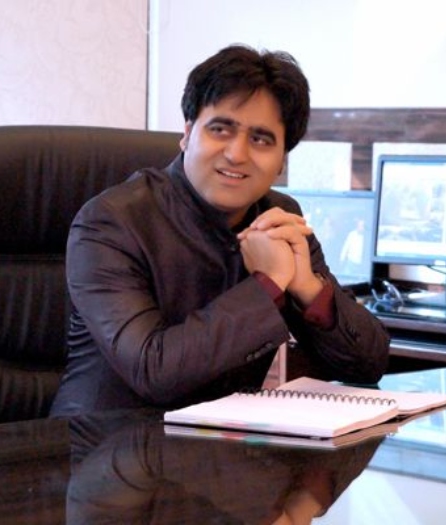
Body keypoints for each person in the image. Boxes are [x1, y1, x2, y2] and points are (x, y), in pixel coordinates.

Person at [49, 44, 390, 417]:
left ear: (281, 161)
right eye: (220, 129)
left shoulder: (279, 217)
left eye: (261, 139)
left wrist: (309, 288)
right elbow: (152, 370)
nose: (237, 154)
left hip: (223, 443)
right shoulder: (110, 223)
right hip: (106, 442)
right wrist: (268, 284)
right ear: (187, 133)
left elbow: (368, 365)